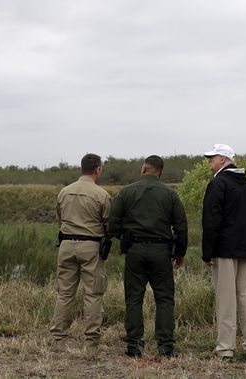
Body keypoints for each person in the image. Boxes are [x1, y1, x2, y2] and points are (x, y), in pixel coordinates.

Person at [108, 155, 188, 358]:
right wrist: (179, 253)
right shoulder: (170, 194)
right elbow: (181, 227)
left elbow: (112, 225)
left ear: (144, 169)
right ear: (160, 172)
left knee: (134, 298)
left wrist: (126, 238)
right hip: (161, 252)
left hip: (135, 251)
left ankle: (134, 346)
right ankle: (166, 347)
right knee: (165, 299)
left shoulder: (126, 192)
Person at [201, 143, 246, 360]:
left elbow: (211, 221)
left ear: (223, 160)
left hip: (225, 250)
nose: (210, 163)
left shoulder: (218, 184)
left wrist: (207, 252)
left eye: (212, 159)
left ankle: (226, 348)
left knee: (226, 300)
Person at [50, 153, 112, 348]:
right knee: (93, 293)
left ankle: (58, 337)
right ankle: (91, 340)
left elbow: (60, 220)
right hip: (91, 246)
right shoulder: (101, 194)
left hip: (66, 245)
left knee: (64, 293)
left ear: (81, 168)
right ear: (98, 170)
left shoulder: (64, 192)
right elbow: (108, 224)